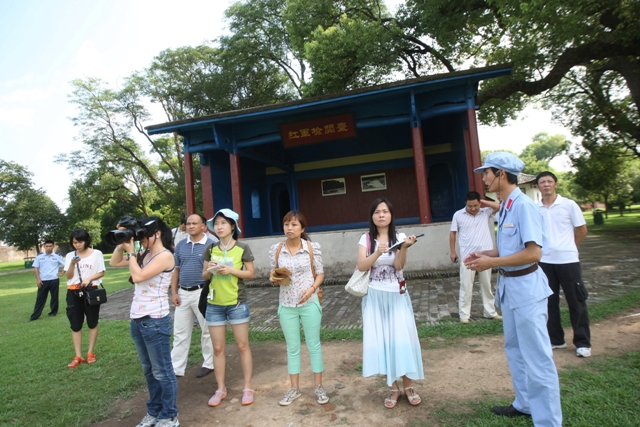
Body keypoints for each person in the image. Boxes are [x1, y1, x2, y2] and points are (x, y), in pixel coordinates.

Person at [465, 152, 562, 426]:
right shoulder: (506, 205)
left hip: (527, 290)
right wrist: (486, 254)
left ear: (501, 174)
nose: (483, 179)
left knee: (537, 358)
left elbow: (533, 253)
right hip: (510, 289)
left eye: (486, 173)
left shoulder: (523, 206)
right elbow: (512, 247)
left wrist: (492, 262)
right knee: (515, 349)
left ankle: (548, 421)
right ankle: (525, 403)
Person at [356, 198, 423, 409]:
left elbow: (399, 265)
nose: (381, 215)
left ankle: (408, 386)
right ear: (372, 216)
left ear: (391, 215)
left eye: (385, 211)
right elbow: (361, 266)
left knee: (402, 340)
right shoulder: (366, 239)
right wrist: (378, 252)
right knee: (383, 342)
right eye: (377, 212)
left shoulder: (400, 237)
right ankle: (393, 388)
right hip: (375, 296)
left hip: (397, 294)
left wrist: (404, 248)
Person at [115, 217, 180, 427]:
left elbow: (138, 277)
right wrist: (122, 241)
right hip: (138, 320)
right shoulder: (144, 254)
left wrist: (131, 253)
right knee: (149, 370)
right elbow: (115, 262)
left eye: (144, 235)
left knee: (162, 371)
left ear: (157, 233)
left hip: (155, 320)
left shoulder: (165, 256)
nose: (141, 239)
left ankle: (169, 416)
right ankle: (154, 411)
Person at [269, 211, 328, 406]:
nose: (289, 228)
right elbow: (273, 274)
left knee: (314, 345)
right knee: (292, 347)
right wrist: (274, 278)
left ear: (302, 228)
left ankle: (319, 387)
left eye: (294, 224)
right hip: (286, 305)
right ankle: (294, 388)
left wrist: (312, 289)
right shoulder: (277, 249)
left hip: (309, 303)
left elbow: (320, 274)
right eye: (286, 224)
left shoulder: (311, 248)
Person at [202, 208, 255, 407]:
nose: (219, 227)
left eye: (223, 223)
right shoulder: (210, 248)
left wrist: (231, 270)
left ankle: (247, 387)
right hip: (214, 305)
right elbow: (204, 276)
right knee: (217, 348)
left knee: (242, 346)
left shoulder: (242, 248)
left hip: (237, 304)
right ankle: (220, 388)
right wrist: (211, 269)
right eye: (216, 223)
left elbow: (251, 274)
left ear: (232, 226)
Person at [536, 171, 591, 358]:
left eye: (549, 181)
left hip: (568, 261)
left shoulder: (568, 205)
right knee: (549, 302)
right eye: (542, 182)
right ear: (538, 186)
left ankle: (582, 343)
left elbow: (582, 229)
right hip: (545, 261)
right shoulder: (536, 208)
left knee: (576, 301)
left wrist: (571, 247)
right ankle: (556, 339)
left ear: (555, 184)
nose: (546, 184)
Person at [171, 214, 215, 378]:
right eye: (188, 223)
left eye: (195, 223)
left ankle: (209, 363)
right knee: (180, 332)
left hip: (202, 292)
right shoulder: (181, 245)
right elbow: (176, 269)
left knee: (207, 330)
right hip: (183, 293)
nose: (190, 226)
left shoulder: (211, 245)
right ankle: (176, 368)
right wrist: (174, 292)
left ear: (203, 226)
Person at [450, 192, 502, 323]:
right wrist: (453, 251)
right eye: (470, 206)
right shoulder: (458, 215)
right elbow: (453, 234)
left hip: (485, 256)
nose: (473, 208)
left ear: (480, 203)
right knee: (466, 286)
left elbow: (499, 206)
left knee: (487, 285)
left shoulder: (485, 212)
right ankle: (464, 315)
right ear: (465, 204)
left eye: (476, 205)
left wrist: (482, 201)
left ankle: (490, 312)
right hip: (467, 257)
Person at [63, 229, 105, 369]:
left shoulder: (96, 253)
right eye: (75, 242)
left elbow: (101, 272)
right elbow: (68, 276)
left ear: (86, 241)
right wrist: (72, 264)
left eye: (80, 242)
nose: (77, 245)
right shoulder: (70, 255)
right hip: (73, 291)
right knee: (75, 324)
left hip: (90, 290)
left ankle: (90, 353)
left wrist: (89, 278)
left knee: (92, 322)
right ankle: (78, 355)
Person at [27, 239, 64, 321]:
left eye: (50, 246)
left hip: (54, 279)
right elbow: (36, 268)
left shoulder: (57, 256)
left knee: (54, 297)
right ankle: (35, 315)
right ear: (44, 246)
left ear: (53, 246)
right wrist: (38, 279)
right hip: (43, 280)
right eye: (47, 246)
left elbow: (66, 265)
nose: (48, 248)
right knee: (40, 298)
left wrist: (62, 273)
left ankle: (53, 312)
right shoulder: (39, 257)